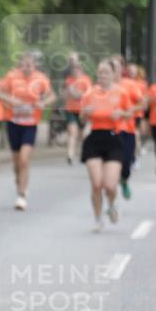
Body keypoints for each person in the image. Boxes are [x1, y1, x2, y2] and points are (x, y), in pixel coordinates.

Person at [0, 52, 54, 210]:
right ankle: (20, 185)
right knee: (16, 163)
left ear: (35, 65)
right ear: (20, 64)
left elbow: (51, 96)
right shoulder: (12, 76)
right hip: (13, 122)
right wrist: (10, 100)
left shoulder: (41, 79)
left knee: (24, 159)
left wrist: (43, 102)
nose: (27, 67)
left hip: (30, 123)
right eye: (24, 64)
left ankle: (21, 195)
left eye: (30, 64)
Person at [79, 59, 130, 231]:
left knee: (110, 185)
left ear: (113, 74)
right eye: (100, 73)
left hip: (113, 138)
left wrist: (121, 113)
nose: (102, 76)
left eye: (106, 72)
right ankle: (98, 219)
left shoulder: (120, 93)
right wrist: (85, 114)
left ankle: (112, 204)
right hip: (94, 138)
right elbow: (82, 117)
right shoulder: (90, 93)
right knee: (96, 183)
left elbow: (129, 113)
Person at [110, 54, 143, 200]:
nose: (113, 70)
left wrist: (130, 110)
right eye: (111, 66)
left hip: (127, 129)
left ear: (121, 68)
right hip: (109, 130)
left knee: (126, 165)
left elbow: (143, 103)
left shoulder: (130, 85)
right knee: (111, 165)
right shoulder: (103, 86)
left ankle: (124, 180)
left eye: (116, 66)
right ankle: (111, 196)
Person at [61, 54, 91, 165]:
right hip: (71, 110)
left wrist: (75, 93)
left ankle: (85, 153)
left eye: (78, 68)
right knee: (72, 133)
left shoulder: (86, 80)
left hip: (83, 111)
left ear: (81, 70)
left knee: (84, 135)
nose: (75, 71)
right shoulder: (68, 80)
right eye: (74, 69)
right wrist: (67, 92)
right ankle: (70, 155)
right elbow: (64, 95)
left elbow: (84, 95)